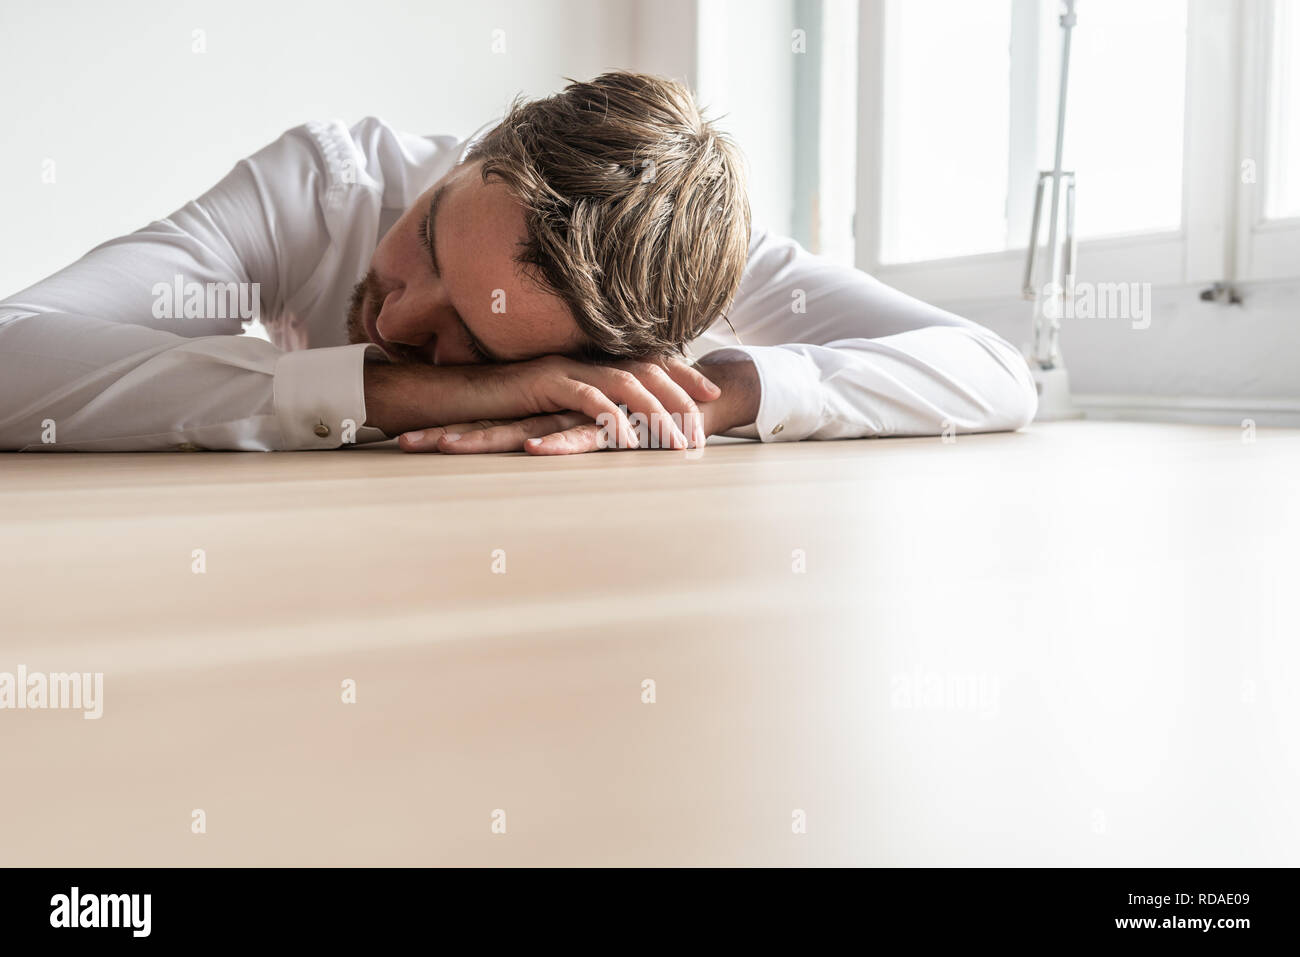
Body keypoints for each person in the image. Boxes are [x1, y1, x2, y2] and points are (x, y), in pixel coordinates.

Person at [0, 71, 1035, 454]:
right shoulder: (324, 183)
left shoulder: (696, 269)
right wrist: (390, 390)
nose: (402, 316)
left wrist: (703, 396)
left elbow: (991, 370)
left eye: (473, 337)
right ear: (468, 163)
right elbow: (14, 357)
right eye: (433, 242)